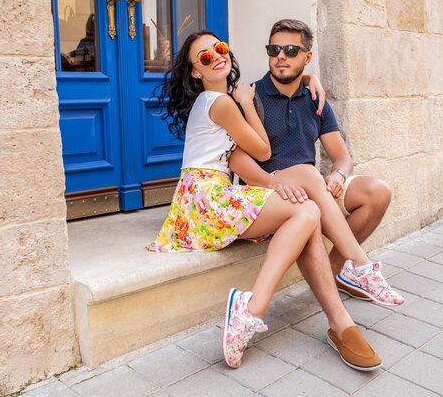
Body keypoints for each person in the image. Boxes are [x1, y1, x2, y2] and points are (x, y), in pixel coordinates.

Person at [147, 30, 382, 371]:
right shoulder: (225, 102)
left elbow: (245, 152)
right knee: (307, 210)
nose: (216, 56)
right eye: (205, 57)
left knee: (308, 211)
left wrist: (309, 78)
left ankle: (252, 308)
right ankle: (345, 272)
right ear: (196, 72)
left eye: (220, 48)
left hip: (200, 198)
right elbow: (262, 150)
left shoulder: (219, 100)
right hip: (207, 197)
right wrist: (244, 102)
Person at [229, 19, 404, 307]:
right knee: (310, 174)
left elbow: (342, 157)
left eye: (290, 50)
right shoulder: (250, 97)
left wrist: (338, 175)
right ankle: (362, 266)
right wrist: (274, 181)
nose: (280, 56)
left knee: (378, 191)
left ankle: (338, 272)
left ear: (307, 57)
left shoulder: (314, 98)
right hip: (274, 195)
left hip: (314, 188)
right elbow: (236, 158)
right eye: (274, 49)